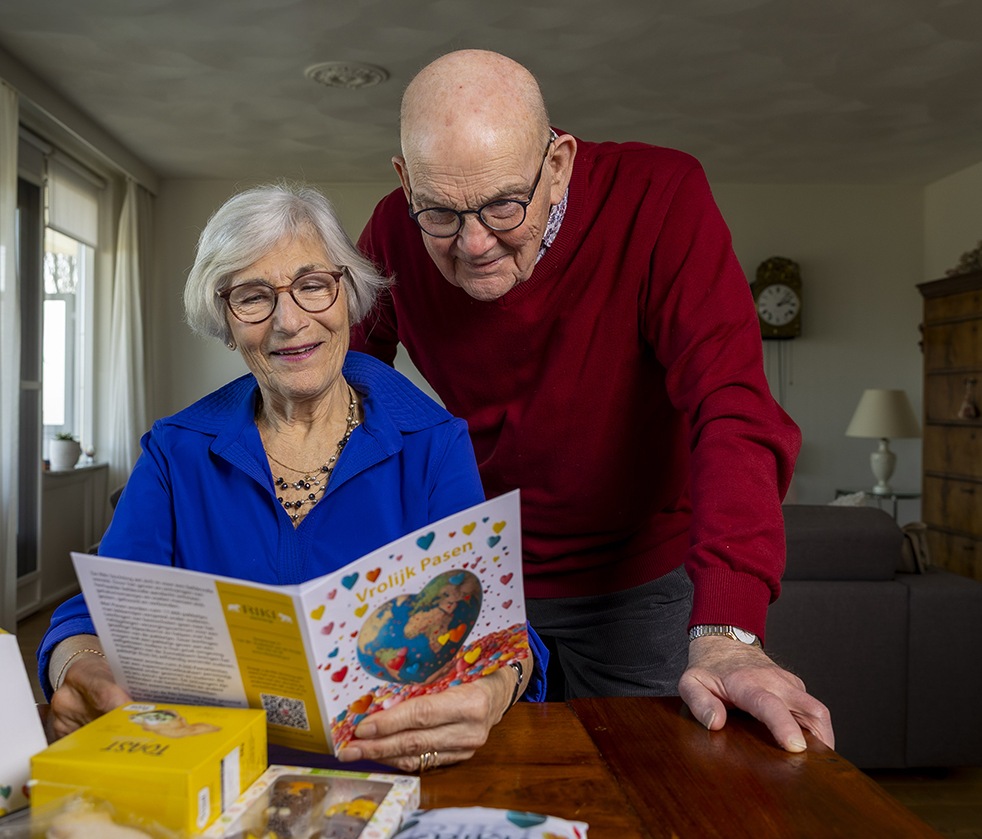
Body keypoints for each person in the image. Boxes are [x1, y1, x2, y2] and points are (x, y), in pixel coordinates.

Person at [351, 49, 834, 753]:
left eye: (503, 206)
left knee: (654, 798)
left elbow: (731, 408)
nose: (475, 243)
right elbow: (341, 396)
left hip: (645, 585)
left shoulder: (662, 197)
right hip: (485, 586)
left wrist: (729, 632)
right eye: (442, 214)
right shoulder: (395, 228)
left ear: (558, 165)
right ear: (405, 183)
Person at [38, 183, 548, 771]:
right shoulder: (174, 453)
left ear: (347, 296)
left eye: (312, 286)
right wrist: (80, 666)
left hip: (391, 768)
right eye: (253, 297)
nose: (289, 321)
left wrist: (495, 688)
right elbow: (95, 616)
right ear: (226, 322)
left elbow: (498, 632)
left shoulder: (433, 446)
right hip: (213, 767)